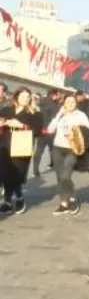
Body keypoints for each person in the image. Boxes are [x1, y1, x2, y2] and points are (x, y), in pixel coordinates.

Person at [47, 94, 89, 215]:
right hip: (57, 148)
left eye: (73, 102)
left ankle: (72, 197)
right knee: (59, 177)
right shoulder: (60, 115)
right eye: (68, 102)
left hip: (72, 149)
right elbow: (50, 130)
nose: (70, 104)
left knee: (65, 176)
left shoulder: (81, 115)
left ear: (76, 103)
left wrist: (77, 132)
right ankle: (63, 203)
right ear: (63, 103)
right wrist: (58, 115)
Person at [0, 87, 43, 215]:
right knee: (6, 173)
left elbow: (37, 131)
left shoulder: (34, 113)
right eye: (22, 96)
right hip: (5, 145)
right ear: (16, 96)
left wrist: (21, 125)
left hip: (22, 147)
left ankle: (19, 197)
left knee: (17, 174)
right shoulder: (6, 110)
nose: (25, 99)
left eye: (27, 97)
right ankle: (8, 201)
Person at [33, 89, 60, 177]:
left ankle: (35, 170)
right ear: (54, 95)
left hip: (41, 131)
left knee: (39, 151)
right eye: (58, 95)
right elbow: (56, 119)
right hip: (50, 131)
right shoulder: (54, 105)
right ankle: (54, 166)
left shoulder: (40, 103)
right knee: (53, 149)